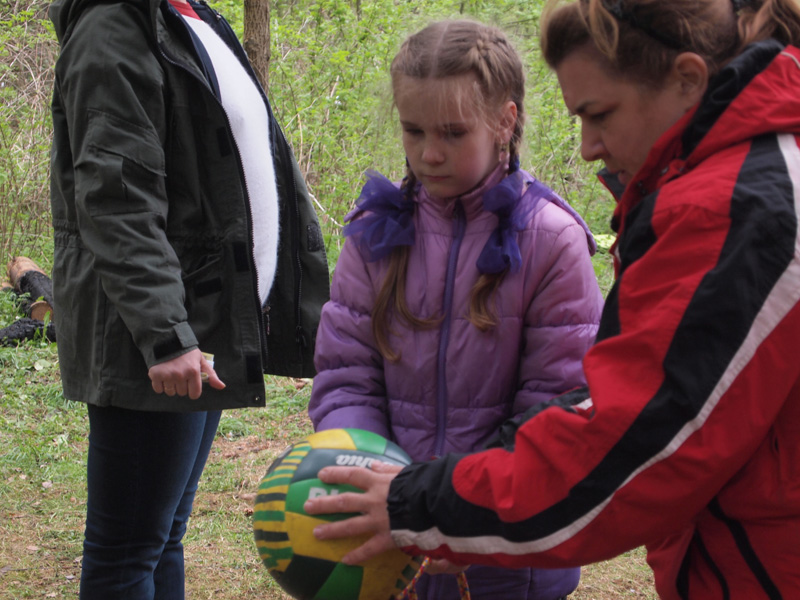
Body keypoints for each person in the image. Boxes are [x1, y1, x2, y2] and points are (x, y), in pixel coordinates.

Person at [303, 1, 800, 598]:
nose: (588, 148)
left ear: (689, 79)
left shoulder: (749, 206)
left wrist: (427, 508)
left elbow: (632, 440)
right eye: (414, 131)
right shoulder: (723, 186)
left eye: (600, 113)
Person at [308, 19, 603, 600]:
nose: (428, 153)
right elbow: (347, 379)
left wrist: (457, 519)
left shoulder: (551, 241)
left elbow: (555, 410)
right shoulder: (374, 234)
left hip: (509, 554)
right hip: (389, 542)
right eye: (413, 131)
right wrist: (378, 490)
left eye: (452, 132)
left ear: (504, 122)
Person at [48, 0, 329, 597]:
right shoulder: (113, 25)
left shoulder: (187, 14)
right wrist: (165, 333)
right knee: (127, 550)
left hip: (206, 319)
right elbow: (116, 196)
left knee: (161, 536)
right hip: (154, 331)